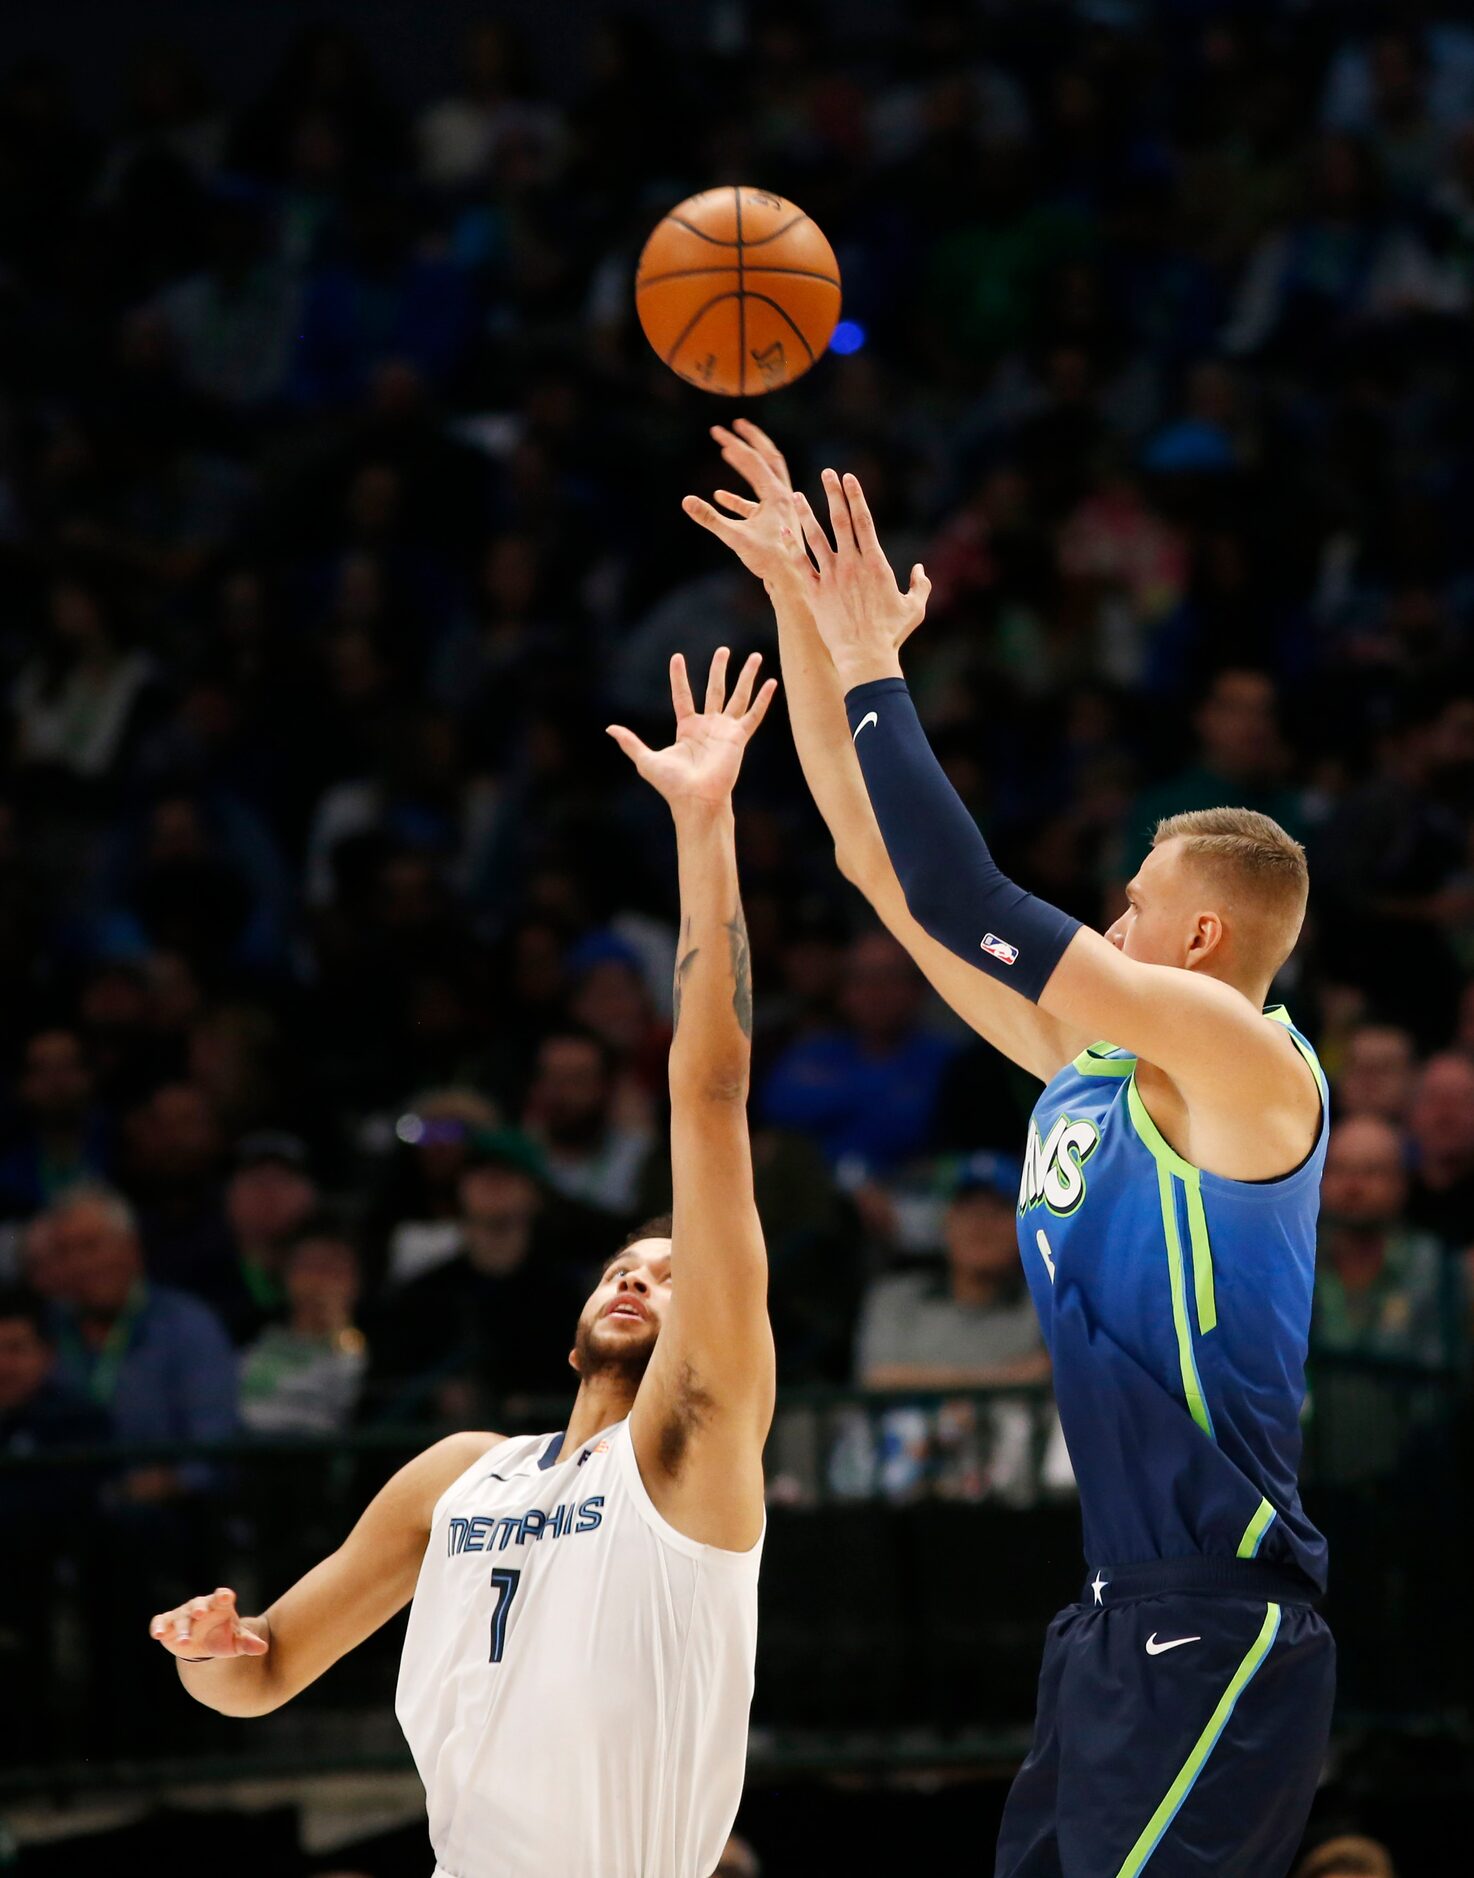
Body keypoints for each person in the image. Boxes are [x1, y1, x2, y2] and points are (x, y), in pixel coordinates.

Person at [690, 420, 1335, 1878]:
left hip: (1219, 1615)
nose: (1104, 922)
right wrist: (803, 600)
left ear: (1198, 936)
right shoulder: (1091, 1069)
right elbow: (878, 861)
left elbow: (965, 884)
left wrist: (876, 665)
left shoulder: (1246, 1067)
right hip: (1108, 1618)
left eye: (1127, 904)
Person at [150, 648, 778, 1878]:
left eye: (675, 1268)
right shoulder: (457, 1478)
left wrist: (703, 826)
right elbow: (265, 1676)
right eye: (623, 1265)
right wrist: (211, 1653)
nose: (641, 1276)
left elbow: (708, 1093)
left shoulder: (693, 1447)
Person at [856, 1152, 1048, 1388]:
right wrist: (998, 1380)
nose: (981, 1225)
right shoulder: (896, 1297)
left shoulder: (1044, 1306)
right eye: (967, 1211)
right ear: (945, 1223)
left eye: (998, 1211)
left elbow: (1049, 1373)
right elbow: (878, 1379)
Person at [238, 1218, 368, 1436]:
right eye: (309, 1266)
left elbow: (350, 1387)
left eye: (333, 1268)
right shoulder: (252, 1332)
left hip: (312, 1456)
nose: (319, 1280)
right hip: (244, 1448)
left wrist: (338, 1324)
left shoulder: (354, 1343)